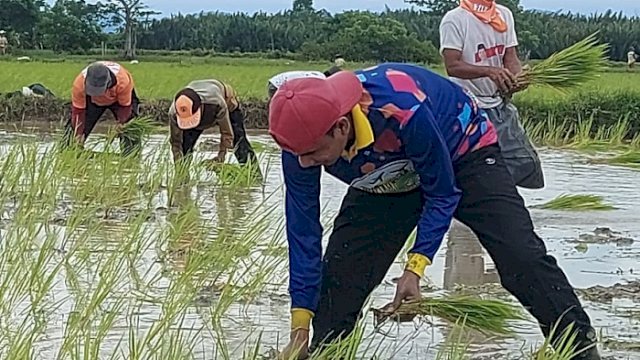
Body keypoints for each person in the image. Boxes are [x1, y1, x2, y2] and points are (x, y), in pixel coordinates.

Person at [268, 63, 601, 360]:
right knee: (341, 277)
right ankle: (327, 352)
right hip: (386, 174)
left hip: (462, 154)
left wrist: (415, 269)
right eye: (296, 154)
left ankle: (582, 351)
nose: (304, 163)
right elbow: (303, 232)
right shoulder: (300, 142)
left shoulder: (401, 110)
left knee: (520, 257)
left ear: (341, 127)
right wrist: (300, 330)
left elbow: (442, 193)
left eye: (313, 154)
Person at [439, 0, 544, 189]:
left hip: (497, 101)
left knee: (523, 162)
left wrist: (517, 77)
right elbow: (452, 66)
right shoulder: (455, 19)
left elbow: (510, 56)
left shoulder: (504, 15)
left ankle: (504, 201)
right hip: (467, 104)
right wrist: (489, 71)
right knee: (475, 163)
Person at [168, 79, 257, 166]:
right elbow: (175, 143)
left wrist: (220, 157)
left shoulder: (216, 103)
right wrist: (179, 168)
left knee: (239, 142)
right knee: (185, 146)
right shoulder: (174, 113)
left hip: (225, 104)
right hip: (197, 103)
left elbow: (227, 134)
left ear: (200, 107)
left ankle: (254, 175)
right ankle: (184, 179)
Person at [62, 61, 140, 155]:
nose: (97, 93)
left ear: (108, 82)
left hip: (118, 99)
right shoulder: (79, 84)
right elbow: (78, 111)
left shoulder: (123, 81)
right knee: (70, 139)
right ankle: (71, 154)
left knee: (130, 128)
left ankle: (130, 156)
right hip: (90, 100)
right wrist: (78, 134)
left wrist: (121, 124)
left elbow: (125, 108)